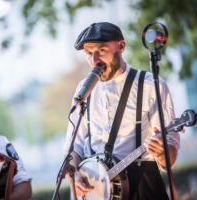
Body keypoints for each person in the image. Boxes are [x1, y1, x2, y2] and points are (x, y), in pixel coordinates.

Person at [64, 22, 180, 200]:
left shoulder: (150, 84)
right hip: (96, 189)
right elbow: (74, 146)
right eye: (89, 53)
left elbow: (169, 160)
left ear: (121, 46)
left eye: (101, 50)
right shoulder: (83, 89)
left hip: (142, 185)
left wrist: (163, 152)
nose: (94, 60)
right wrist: (74, 175)